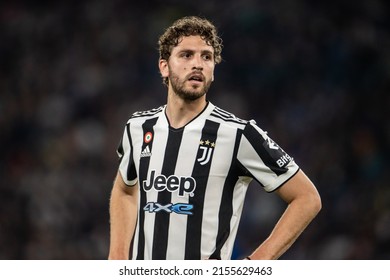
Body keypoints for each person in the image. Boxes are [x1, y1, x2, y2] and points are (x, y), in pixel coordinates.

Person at [108, 16, 321, 260]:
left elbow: (307, 197)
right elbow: (125, 190)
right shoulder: (138, 127)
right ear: (164, 66)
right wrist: (117, 257)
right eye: (186, 55)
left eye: (206, 57)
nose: (197, 64)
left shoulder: (238, 134)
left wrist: (256, 262)